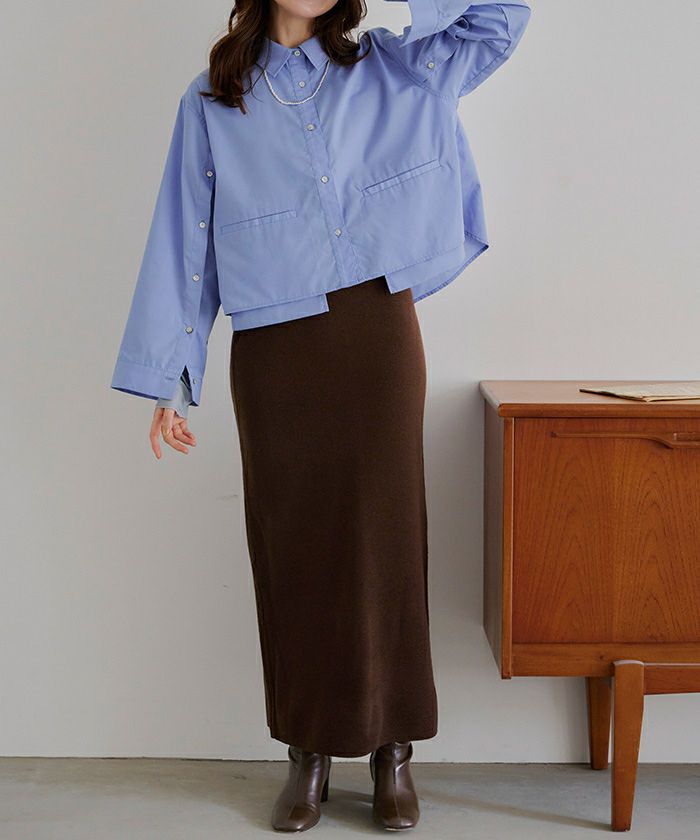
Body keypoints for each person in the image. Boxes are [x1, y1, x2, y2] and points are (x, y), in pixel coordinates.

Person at [110, 0, 531, 831]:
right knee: (293, 546)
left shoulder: (397, 66)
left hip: (376, 333)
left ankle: (393, 751)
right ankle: (307, 752)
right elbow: (184, 236)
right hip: (275, 350)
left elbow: (500, 21)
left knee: (388, 538)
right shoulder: (213, 99)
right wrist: (171, 378)